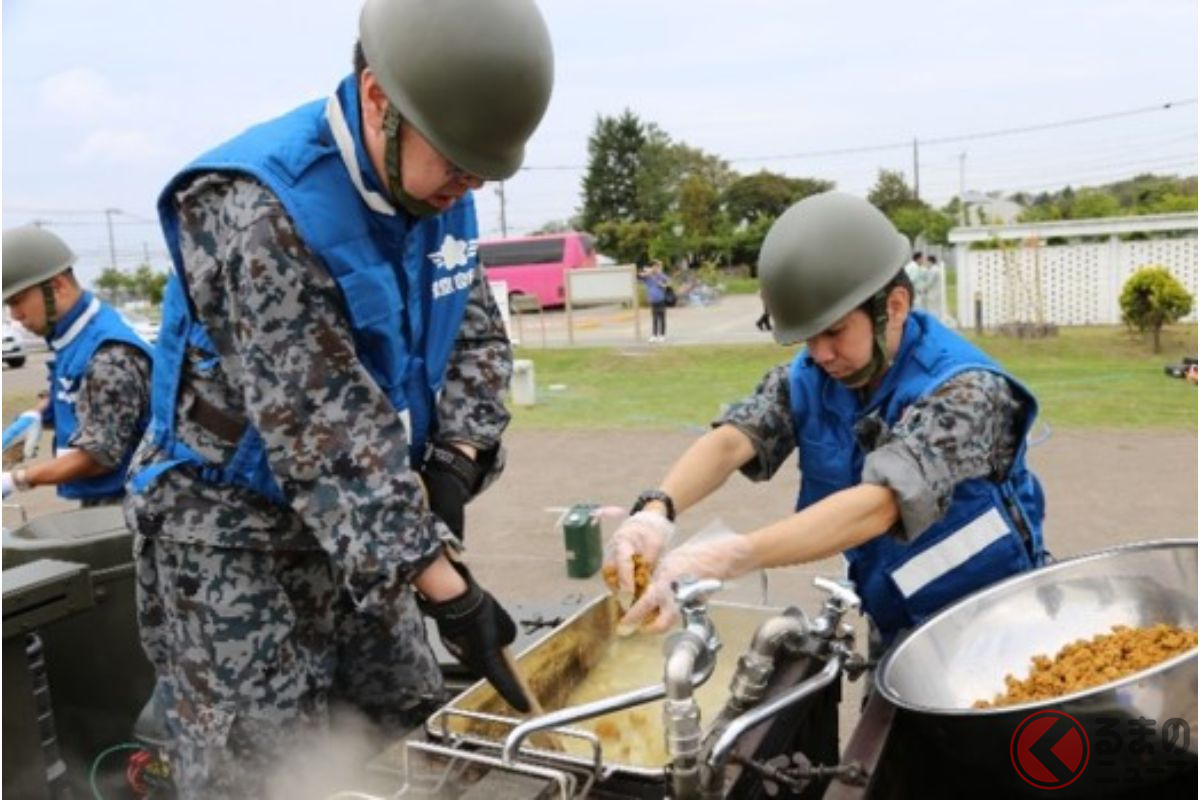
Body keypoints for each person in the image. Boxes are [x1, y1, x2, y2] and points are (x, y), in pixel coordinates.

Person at [123, 0, 554, 796]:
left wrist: (455, 463)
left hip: (364, 528)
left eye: (483, 171)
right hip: (232, 537)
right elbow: (325, 433)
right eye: (458, 161)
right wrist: (453, 595)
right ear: (380, 99)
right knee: (262, 773)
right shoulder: (258, 209)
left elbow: (472, 337)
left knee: (401, 724)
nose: (469, 185)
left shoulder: (437, 183)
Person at [606, 192, 1045, 658]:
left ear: (893, 306)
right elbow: (733, 442)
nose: (819, 353)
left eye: (834, 331)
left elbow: (882, 505)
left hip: (997, 624)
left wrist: (725, 556)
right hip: (896, 626)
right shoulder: (814, 376)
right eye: (807, 337)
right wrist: (655, 512)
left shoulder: (967, 391)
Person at [1, 226, 153, 506]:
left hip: (132, 509)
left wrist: (18, 479)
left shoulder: (110, 354)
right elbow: (80, 390)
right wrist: (36, 414)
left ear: (57, 286)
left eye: (18, 300)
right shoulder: (75, 337)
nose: (14, 315)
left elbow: (99, 457)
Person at [641, 259, 672, 342]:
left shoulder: (660, 276)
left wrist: (663, 285)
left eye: (657, 266)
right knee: (654, 318)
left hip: (661, 299)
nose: (655, 268)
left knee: (662, 318)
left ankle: (662, 335)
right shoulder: (647, 277)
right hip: (653, 300)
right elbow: (640, 276)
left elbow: (669, 282)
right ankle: (654, 335)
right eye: (654, 266)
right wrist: (649, 272)